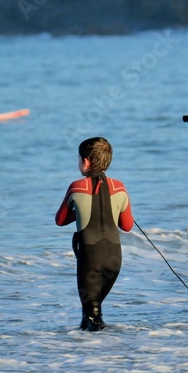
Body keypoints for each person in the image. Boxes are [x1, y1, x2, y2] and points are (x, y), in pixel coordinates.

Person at [55, 137, 134, 331]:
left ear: (85, 162)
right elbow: (127, 226)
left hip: (90, 259)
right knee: (91, 317)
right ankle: (106, 347)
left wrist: (80, 210)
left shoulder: (76, 187)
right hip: (114, 260)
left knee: (93, 318)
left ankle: (94, 350)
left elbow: (60, 220)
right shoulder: (120, 187)